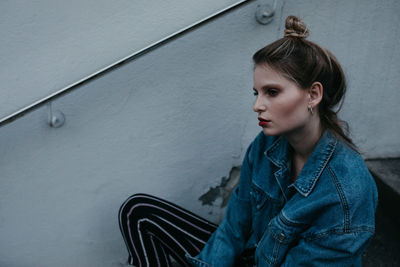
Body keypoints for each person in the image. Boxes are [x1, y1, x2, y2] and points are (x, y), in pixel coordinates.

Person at [118, 16, 378, 267]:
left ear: (313, 94)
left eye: (272, 92)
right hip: (250, 254)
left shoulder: (348, 191)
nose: (257, 106)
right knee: (138, 211)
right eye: (257, 93)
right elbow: (234, 226)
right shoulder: (267, 145)